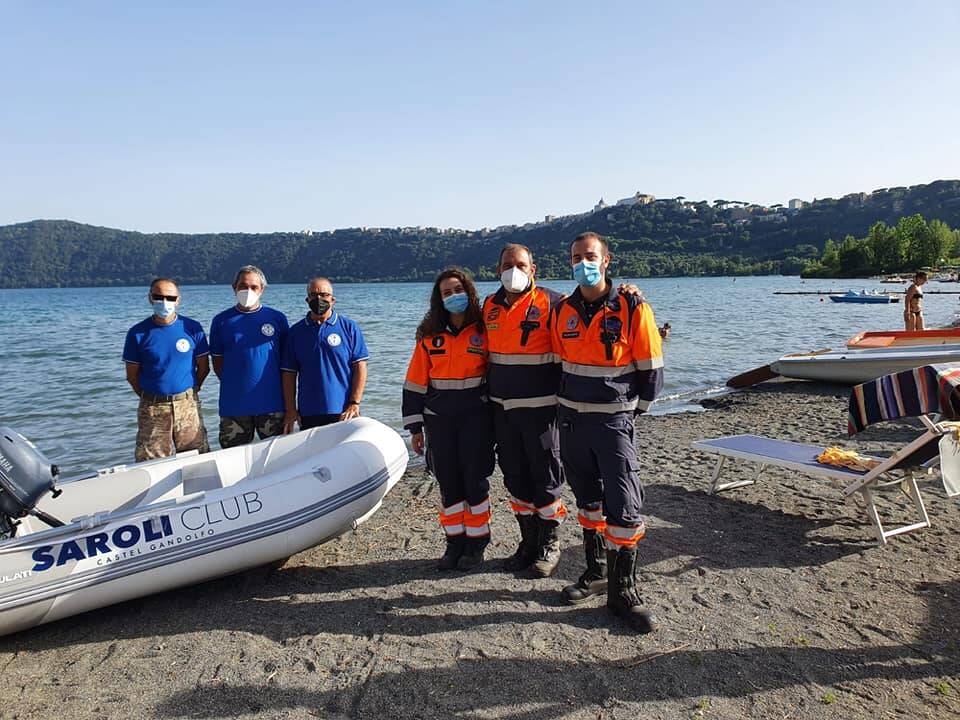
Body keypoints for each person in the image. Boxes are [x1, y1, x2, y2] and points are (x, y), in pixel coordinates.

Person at [550, 231, 663, 633]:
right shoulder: (562, 310)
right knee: (589, 503)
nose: (584, 262)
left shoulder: (633, 306)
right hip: (572, 423)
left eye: (590, 256)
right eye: (577, 256)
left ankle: (624, 591)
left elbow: (651, 369)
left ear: (607, 260)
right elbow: (556, 363)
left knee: (624, 506)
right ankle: (596, 573)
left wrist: (632, 415)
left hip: (614, 423)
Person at [482, 244, 567, 577]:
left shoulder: (554, 303)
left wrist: (628, 292)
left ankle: (550, 544)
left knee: (546, 479)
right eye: (507, 264)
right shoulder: (489, 306)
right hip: (502, 413)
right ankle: (528, 543)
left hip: (542, 413)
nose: (512, 270)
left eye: (520, 264)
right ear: (497, 269)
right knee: (516, 480)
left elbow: (597, 306)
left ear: (533, 269)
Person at [403, 268, 495, 571]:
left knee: (475, 481)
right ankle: (454, 542)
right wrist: (415, 427)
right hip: (439, 421)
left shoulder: (485, 329)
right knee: (449, 483)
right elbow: (415, 382)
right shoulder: (429, 335)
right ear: (439, 300)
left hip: (476, 420)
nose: (453, 296)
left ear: (469, 292)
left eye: (458, 289)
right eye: (446, 293)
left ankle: (477, 543)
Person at [123, 278, 210, 461]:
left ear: (178, 300)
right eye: (158, 296)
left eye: (170, 297)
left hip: (187, 404)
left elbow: (203, 367)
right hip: (153, 407)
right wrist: (152, 397)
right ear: (150, 298)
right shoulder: (137, 333)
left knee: (196, 458)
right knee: (152, 462)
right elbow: (132, 376)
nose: (164, 302)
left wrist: (191, 391)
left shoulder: (192, 328)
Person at [209, 265, 289, 448]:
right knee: (232, 460)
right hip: (234, 407)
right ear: (234, 288)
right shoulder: (221, 321)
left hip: (272, 404)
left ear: (262, 289)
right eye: (243, 286)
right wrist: (237, 383)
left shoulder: (277, 318)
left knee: (278, 458)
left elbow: (287, 363)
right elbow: (218, 363)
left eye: (254, 287)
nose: (248, 291)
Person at [282, 277, 369, 431]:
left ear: (333, 299)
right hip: (308, 412)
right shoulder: (295, 332)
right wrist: (291, 410)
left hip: (343, 410)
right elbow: (289, 374)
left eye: (324, 294)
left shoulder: (349, 328)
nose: (319, 299)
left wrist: (354, 403)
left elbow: (360, 367)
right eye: (314, 295)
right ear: (307, 299)